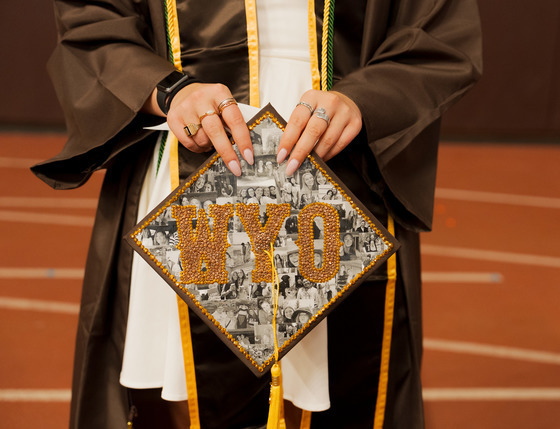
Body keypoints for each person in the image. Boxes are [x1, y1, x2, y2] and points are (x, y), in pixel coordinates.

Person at [31, 1, 482, 428]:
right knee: (187, 387)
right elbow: (94, 22)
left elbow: (435, 29)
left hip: (337, 147)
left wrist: (367, 98)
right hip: (192, 147)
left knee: (338, 381)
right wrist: (167, 89)